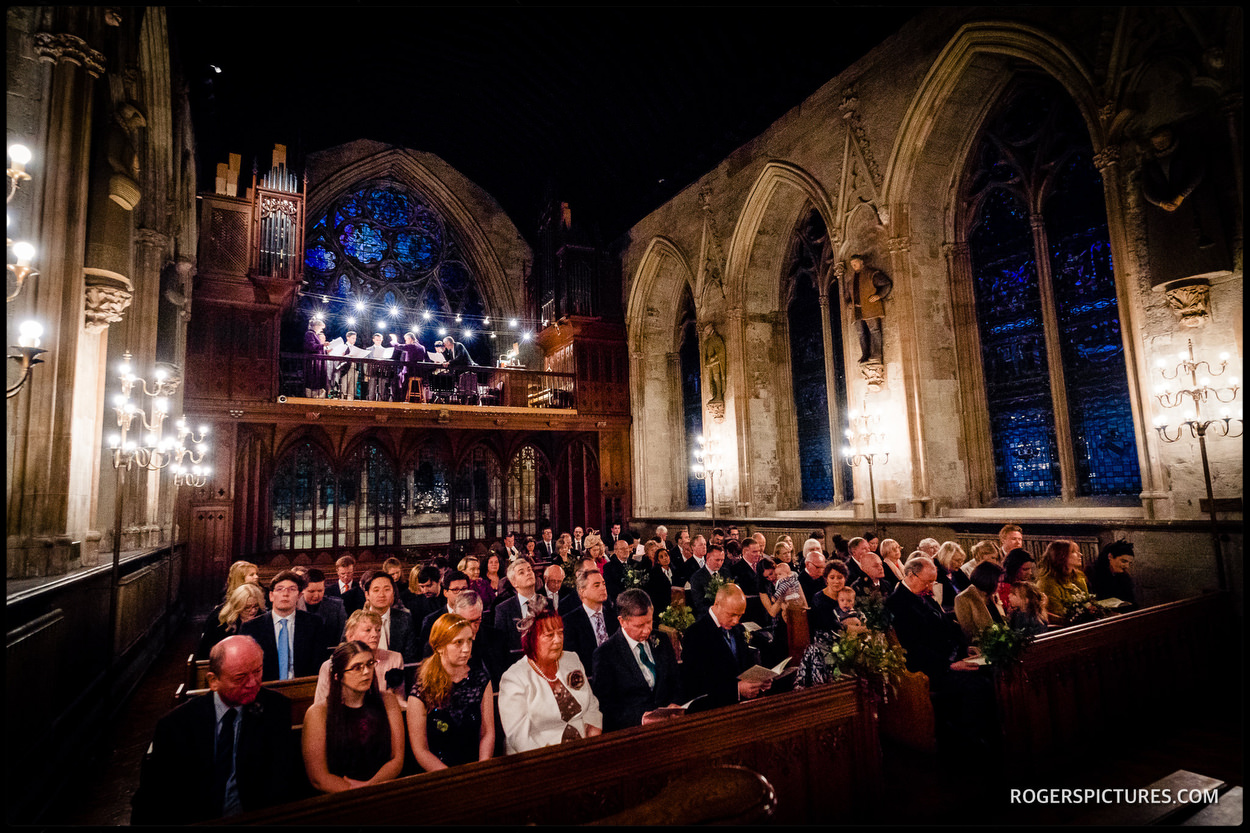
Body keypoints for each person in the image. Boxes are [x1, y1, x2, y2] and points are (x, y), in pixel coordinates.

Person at [131, 636, 299, 824]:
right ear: (213, 681)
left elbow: (281, 781)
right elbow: (152, 799)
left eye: (258, 671)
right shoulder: (176, 726)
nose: (253, 683)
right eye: (240, 677)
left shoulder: (275, 709)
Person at [497, 598, 603, 753]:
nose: (558, 640)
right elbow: (519, 738)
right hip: (539, 759)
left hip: (584, 749)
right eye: (549, 635)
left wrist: (592, 737)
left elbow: (591, 706)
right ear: (531, 639)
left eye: (560, 633)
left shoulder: (571, 659)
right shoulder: (514, 678)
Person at [302, 641, 405, 792]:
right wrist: (356, 794)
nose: (366, 672)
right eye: (357, 667)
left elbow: (397, 759)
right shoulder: (318, 713)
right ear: (338, 675)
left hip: (382, 789)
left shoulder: (387, 701)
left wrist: (369, 786)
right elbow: (318, 777)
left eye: (370, 664)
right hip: (338, 796)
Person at [407, 613, 495, 771]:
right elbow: (421, 749)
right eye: (458, 643)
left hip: (476, 767)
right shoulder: (421, 690)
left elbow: (487, 732)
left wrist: (483, 768)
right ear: (440, 647)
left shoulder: (480, 680)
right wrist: (451, 778)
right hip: (438, 774)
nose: (466, 649)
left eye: (469, 640)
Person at [592, 589, 683, 731]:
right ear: (622, 621)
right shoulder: (606, 654)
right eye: (640, 626)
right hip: (633, 731)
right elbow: (605, 708)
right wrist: (640, 719)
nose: (647, 630)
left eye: (649, 622)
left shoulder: (662, 640)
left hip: (670, 725)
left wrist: (674, 704)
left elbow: (676, 682)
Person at [680, 584, 769, 710]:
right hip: (714, 711)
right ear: (717, 604)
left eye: (739, 615)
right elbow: (696, 684)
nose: (735, 621)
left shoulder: (738, 629)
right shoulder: (695, 634)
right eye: (731, 615)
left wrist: (759, 681)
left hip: (743, 707)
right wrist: (736, 690)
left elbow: (743, 665)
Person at [239, 570, 325, 680]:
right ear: (271, 596)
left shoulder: (314, 624)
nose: (285, 594)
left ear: (299, 596)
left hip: (303, 687)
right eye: (279, 589)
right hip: (266, 690)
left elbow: (318, 665)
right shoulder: (251, 628)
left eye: (292, 589)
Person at [314, 609, 405, 705]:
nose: (375, 635)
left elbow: (400, 700)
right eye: (368, 630)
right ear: (350, 636)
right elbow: (321, 704)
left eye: (378, 630)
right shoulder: (330, 665)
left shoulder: (394, 658)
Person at [562, 567, 620, 678]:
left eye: (603, 584)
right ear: (582, 592)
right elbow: (572, 660)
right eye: (596, 585)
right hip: (588, 677)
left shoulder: (615, 616)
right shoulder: (569, 622)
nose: (603, 588)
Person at [844, 254, 893, 364]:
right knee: (860, 333)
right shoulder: (851, 281)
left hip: (870, 308)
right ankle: (865, 355)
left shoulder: (871, 274)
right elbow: (847, 297)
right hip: (856, 311)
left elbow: (886, 284)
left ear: (861, 262)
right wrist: (849, 304)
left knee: (874, 330)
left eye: (855, 263)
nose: (853, 265)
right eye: (852, 264)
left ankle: (876, 354)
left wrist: (879, 295)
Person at [197, 583, 266, 659]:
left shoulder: (262, 616)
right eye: (247, 607)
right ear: (237, 606)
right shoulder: (219, 620)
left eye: (256, 606)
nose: (253, 611)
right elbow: (205, 652)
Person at [363, 571, 418, 664]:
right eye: (376, 590)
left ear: (394, 593)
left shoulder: (405, 619)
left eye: (387, 589)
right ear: (367, 595)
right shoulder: (357, 621)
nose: (382, 595)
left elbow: (410, 657)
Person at [494, 556, 539, 661]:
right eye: (521, 572)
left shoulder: (548, 603)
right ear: (514, 583)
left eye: (529, 570)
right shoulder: (503, 610)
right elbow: (500, 648)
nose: (528, 573)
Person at [1036, 540, 1090, 625]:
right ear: (1061, 556)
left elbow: (1087, 603)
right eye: (1073, 552)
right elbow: (1057, 614)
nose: (1080, 555)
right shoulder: (1047, 583)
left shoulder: (1079, 578)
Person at [418, 570, 470, 655]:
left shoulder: (475, 617)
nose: (461, 593)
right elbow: (426, 654)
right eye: (455, 590)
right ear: (445, 592)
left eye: (464, 589)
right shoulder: (431, 621)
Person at [954, 561, 1007, 642]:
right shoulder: (964, 598)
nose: (1001, 585)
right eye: (999, 582)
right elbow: (969, 633)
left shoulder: (993, 595)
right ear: (988, 580)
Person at [298, 567, 347, 651]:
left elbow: (343, 638)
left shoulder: (337, 607)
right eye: (311, 591)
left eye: (320, 591)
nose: (316, 595)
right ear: (303, 590)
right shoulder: (294, 608)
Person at [809, 559, 852, 638]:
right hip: (825, 640)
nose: (836, 581)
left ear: (845, 579)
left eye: (840, 577)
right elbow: (828, 626)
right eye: (832, 578)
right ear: (826, 579)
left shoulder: (848, 594)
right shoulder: (819, 599)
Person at [1090, 540, 1136, 609]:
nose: (1127, 566)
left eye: (1129, 563)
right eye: (1123, 561)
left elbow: (1131, 601)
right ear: (1110, 556)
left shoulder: (1124, 577)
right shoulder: (1093, 573)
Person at [688, 543, 730, 619]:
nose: (720, 563)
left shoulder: (726, 573)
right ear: (707, 557)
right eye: (717, 560)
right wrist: (718, 611)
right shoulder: (697, 577)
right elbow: (699, 604)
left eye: (722, 560)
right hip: (706, 617)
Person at [932, 542, 969, 614]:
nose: (960, 564)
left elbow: (968, 587)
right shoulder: (936, 573)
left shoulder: (957, 571)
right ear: (946, 558)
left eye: (961, 561)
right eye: (957, 560)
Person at [304, 318, 330, 398]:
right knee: (313, 381)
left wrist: (325, 351)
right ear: (316, 326)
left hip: (317, 362)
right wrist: (323, 345)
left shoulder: (313, 334)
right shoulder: (310, 334)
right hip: (313, 363)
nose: (321, 330)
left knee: (318, 381)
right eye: (321, 328)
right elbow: (311, 346)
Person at [332, 330, 359, 400]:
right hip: (345, 369)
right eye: (353, 338)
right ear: (348, 338)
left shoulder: (355, 348)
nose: (354, 340)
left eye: (355, 338)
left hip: (354, 368)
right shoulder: (343, 346)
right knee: (344, 388)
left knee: (352, 389)